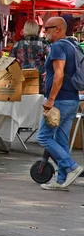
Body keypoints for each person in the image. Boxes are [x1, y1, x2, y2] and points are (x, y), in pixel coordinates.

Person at [36, 16, 83, 190]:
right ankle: (62, 180)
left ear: (59, 29)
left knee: (43, 136)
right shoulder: (72, 45)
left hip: (60, 100)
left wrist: (51, 99)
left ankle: (71, 166)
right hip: (72, 99)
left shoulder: (58, 46)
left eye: (48, 28)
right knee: (62, 140)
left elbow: (59, 74)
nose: (44, 31)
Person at [10, 19, 49, 94]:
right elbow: (50, 57)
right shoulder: (43, 43)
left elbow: (10, 62)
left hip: (22, 76)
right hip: (39, 77)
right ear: (37, 29)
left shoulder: (17, 44)